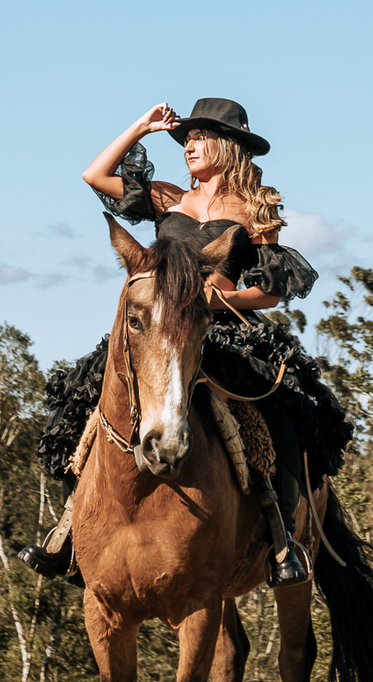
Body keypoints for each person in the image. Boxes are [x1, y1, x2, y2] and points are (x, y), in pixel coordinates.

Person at [19, 98, 352, 586]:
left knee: (279, 410)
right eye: (186, 139)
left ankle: (283, 540)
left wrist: (218, 299)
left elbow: (274, 290)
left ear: (228, 146)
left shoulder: (256, 209)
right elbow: (94, 175)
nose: (189, 146)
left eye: (200, 137)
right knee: (89, 397)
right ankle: (71, 528)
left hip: (222, 331)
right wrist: (141, 127)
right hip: (159, 329)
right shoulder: (168, 198)